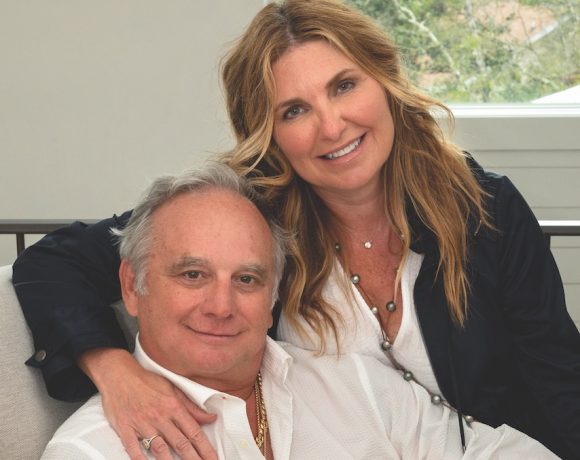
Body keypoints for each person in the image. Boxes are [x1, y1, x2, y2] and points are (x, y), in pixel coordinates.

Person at [12, 0, 580, 459]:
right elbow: (52, 262)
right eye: (294, 110)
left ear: (384, 81)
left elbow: (557, 378)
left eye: (343, 85)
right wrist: (115, 370)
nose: (331, 126)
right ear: (268, 131)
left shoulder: (483, 209)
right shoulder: (250, 216)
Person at [41, 163, 559, 460]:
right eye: (193, 275)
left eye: (247, 279)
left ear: (272, 298)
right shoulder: (91, 452)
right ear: (132, 287)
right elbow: (49, 263)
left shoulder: (354, 383)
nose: (221, 306)